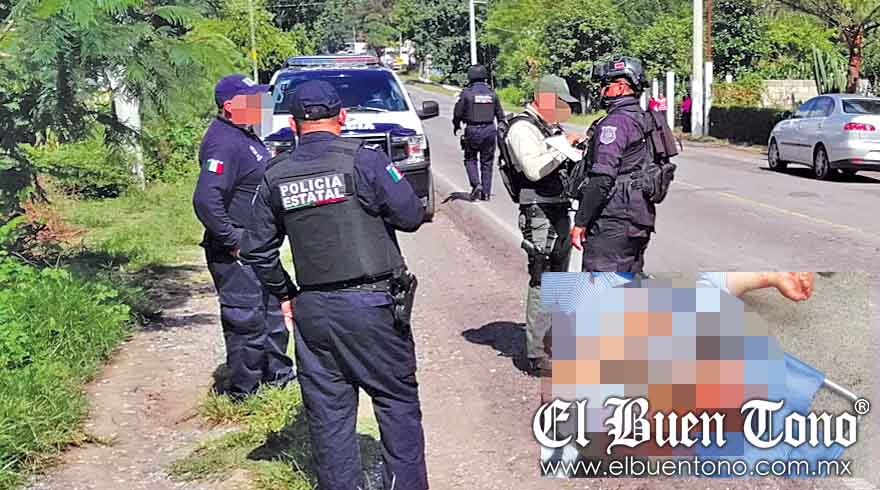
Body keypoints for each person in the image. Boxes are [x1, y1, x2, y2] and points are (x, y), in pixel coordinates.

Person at [239, 80, 428, 490]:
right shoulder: (365, 161)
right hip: (373, 306)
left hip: (314, 311)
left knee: (329, 416)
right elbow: (411, 215)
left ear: (293, 124)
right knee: (395, 402)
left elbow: (256, 250)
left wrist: (285, 292)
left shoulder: (275, 174)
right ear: (342, 116)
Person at [193, 74, 295, 401]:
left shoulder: (244, 135)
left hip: (258, 248)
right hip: (236, 252)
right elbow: (206, 200)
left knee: (272, 315)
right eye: (253, 100)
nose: (261, 105)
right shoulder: (223, 142)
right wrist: (233, 240)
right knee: (247, 321)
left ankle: (278, 379)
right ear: (229, 106)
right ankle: (244, 393)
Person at [502, 74, 584, 376]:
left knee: (559, 279)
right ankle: (536, 354)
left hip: (557, 207)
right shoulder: (522, 128)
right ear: (544, 99)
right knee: (543, 278)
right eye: (560, 104)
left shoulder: (546, 127)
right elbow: (534, 170)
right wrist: (563, 147)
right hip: (539, 211)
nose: (563, 110)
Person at [569, 56, 655, 273]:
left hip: (613, 219)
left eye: (605, 86)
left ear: (620, 87)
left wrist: (580, 222)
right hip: (637, 217)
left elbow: (602, 178)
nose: (601, 91)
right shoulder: (642, 118)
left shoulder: (616, 122)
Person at [452, 64, 506, 201]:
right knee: (487, 162)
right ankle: (486, 193)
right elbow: (500, 115)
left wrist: (456, 125)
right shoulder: (492, 94)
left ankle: (476, 184)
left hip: (472, 129)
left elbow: (458, 112)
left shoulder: (467, 93)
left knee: (470, 159)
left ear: (470, 76)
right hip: (489, 130)